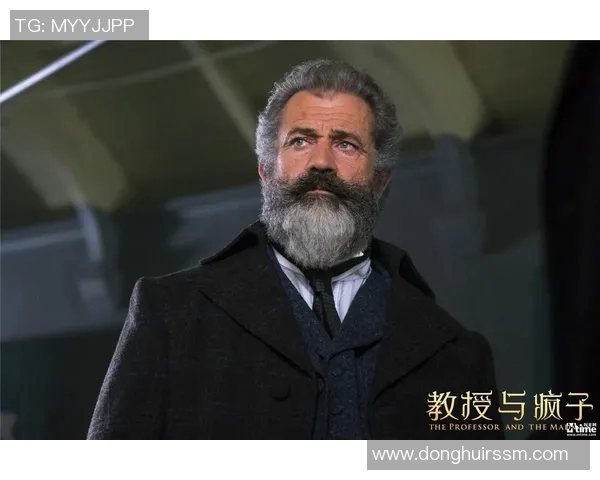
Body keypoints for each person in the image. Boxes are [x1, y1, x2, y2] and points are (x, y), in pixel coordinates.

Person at [87, 59, 503, 440]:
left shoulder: (456, 354)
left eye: (346, 144)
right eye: (301, 141)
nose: (321, 161)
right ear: (266, 170)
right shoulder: (171, 314)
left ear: (380, 180)